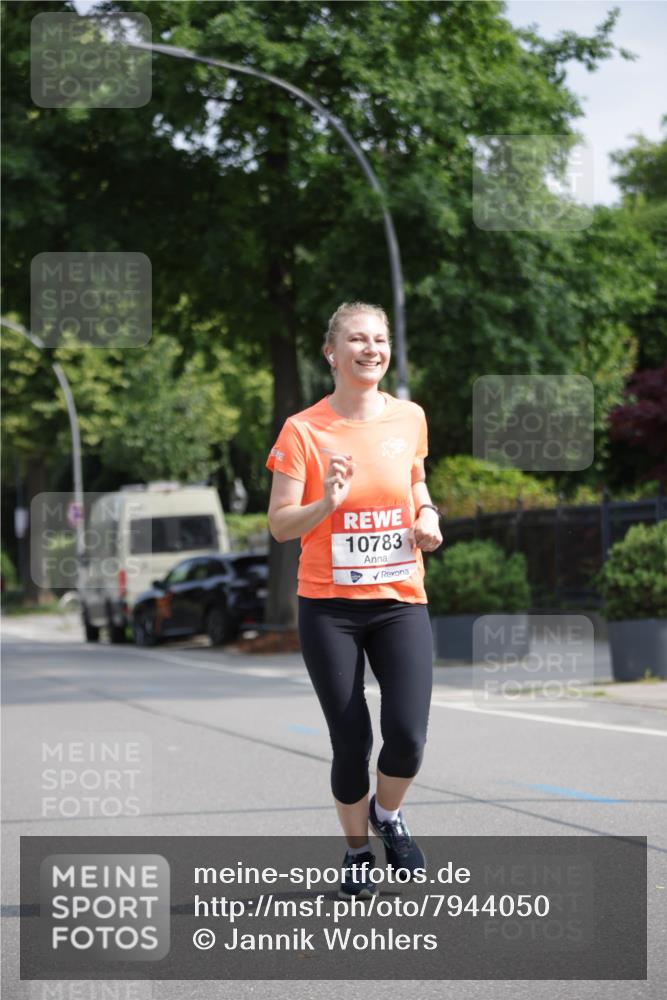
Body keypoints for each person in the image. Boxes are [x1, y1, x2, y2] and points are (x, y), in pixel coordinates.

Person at [266, 301, 443, 900]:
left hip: (400, 598)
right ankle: (356, 851)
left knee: (409, 736)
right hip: (330, 607)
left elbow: (416, 481)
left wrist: (428, 514)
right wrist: (328, 503)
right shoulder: (303, 430)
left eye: (380, 339)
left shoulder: (409, 417)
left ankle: (388, 816)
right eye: (358, 340)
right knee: (351, 741)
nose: (372, 349)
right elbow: (281, 526)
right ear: (331, 354)